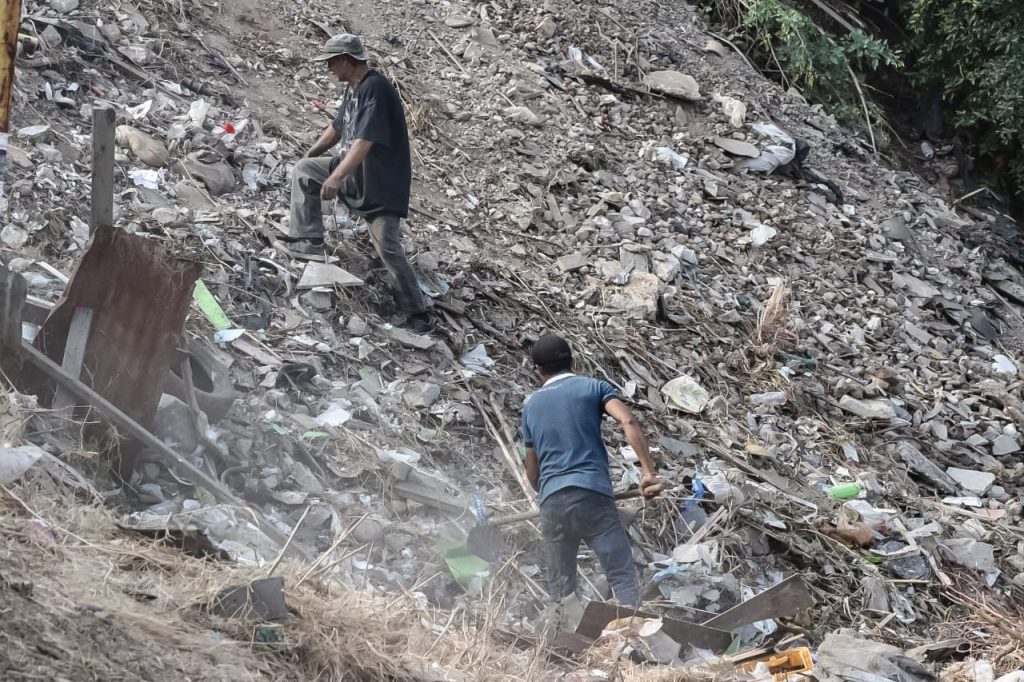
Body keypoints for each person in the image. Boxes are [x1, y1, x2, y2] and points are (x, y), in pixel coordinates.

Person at [282, 33, 430, 333]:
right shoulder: (354, 89)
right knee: (305, 170)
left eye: (332, 63)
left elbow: (365, 140)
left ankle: (418, 314)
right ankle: (309, 240)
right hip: (356, 174)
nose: (329, 69)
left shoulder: (376, 88)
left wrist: (336, 176)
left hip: (381, 183)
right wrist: (311, 155)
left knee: (387, 248)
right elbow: (337, 128)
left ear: (347, 61)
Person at [521, 334, 662, 608]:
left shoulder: (530, 407)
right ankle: (630, 637)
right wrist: (647, 473)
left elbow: (532, 469)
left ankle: (564, 643)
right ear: (572, 361)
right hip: (591, 494)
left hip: (552, 502)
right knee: (621, 578)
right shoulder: (592, 387)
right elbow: (627, 420)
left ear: (538, 371)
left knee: (560, 590)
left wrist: (550, 494)